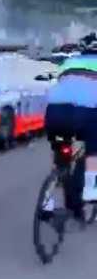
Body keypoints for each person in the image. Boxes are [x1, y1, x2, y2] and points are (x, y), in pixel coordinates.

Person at [45, 32, 97, 219]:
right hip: (86, 112)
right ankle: (91, 188)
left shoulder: (68, 64)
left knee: (59, 156)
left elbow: (57, 83)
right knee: (94, 148)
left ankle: (47, 201)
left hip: (55, 112)